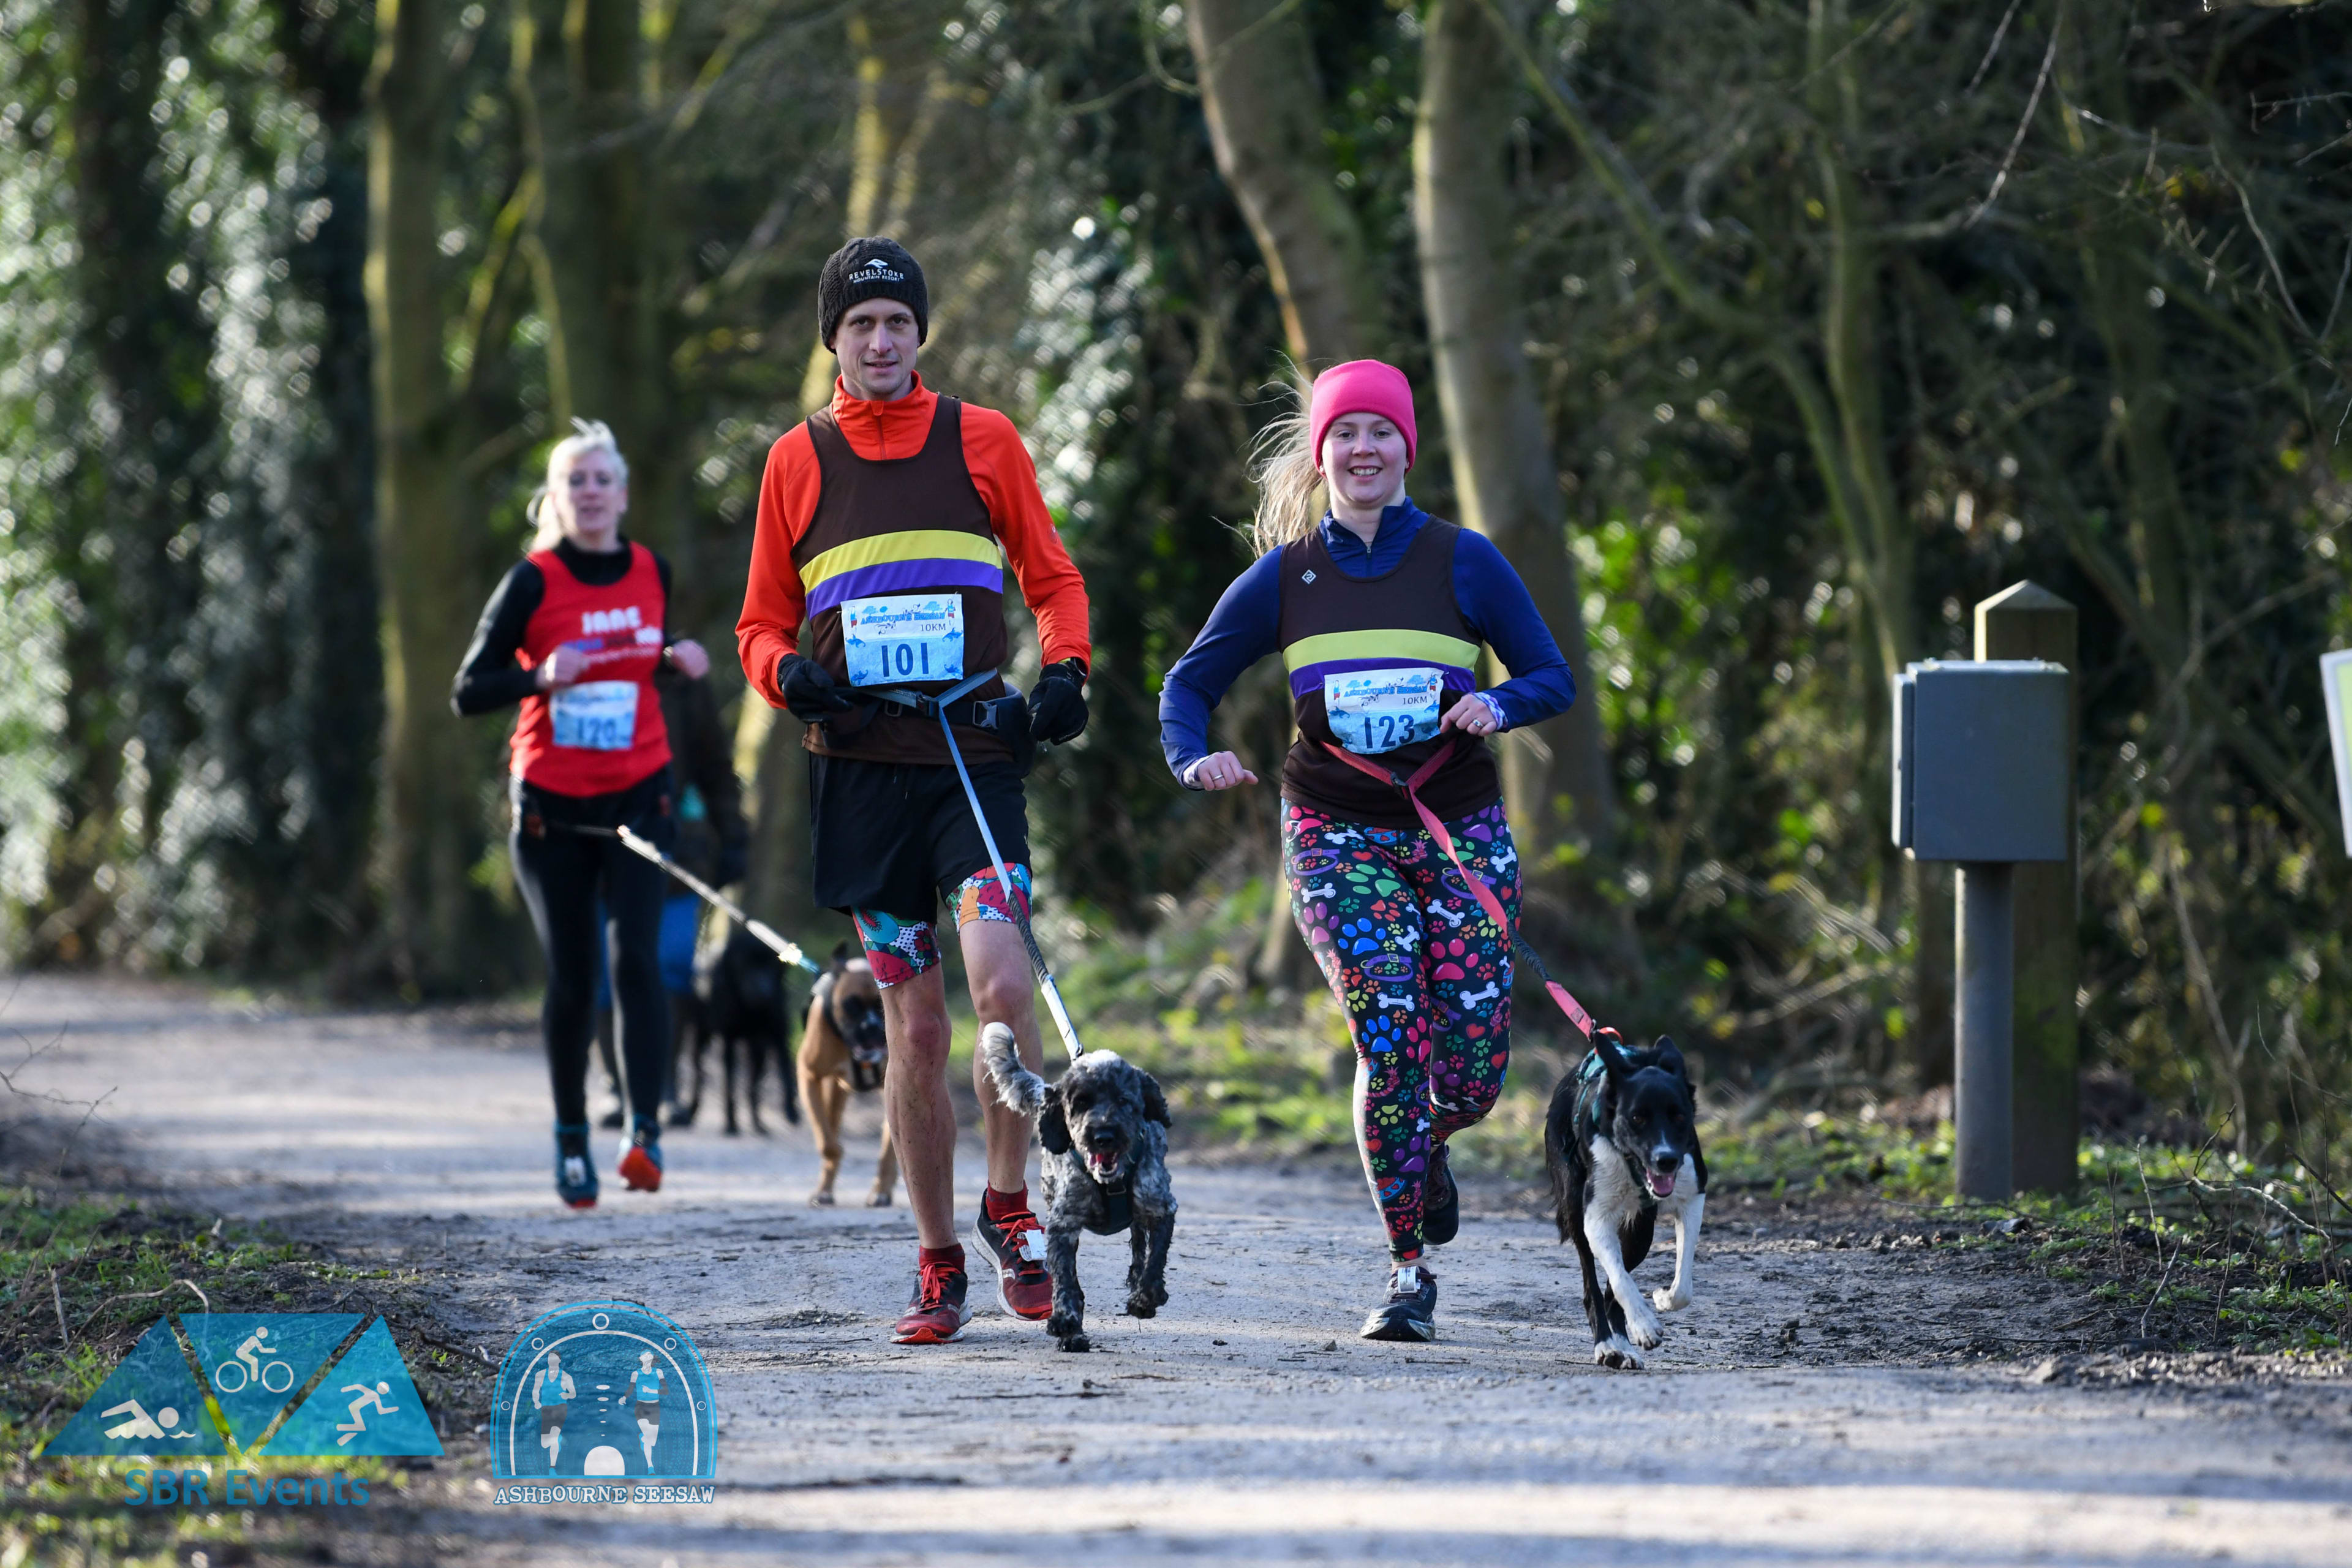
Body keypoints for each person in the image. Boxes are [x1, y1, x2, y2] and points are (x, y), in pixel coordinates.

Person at [1158, 360, 1575, 1343]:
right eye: (1345, 434)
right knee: (1389, 1033)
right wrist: (1193, 758)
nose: (1363, 450)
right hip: (1335, 831)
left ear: (1406, 447)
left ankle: (1423, 1145)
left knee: (1468, 1074)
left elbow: (1551, 674)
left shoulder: (1462, 560)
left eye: (1381, 432)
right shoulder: (1287, 575)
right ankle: (1406, 1270)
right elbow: (1189, 682)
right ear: (1322, 453)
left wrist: (1498, 701)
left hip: (1456, 825)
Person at [737, 238, 1092, 1344]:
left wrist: (1066, 668)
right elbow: (759, 622)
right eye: (861, 327)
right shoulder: (796, 460)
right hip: (858, 778)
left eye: (898, 323)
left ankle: (1012, 1213)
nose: (881, 342)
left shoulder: (982, 439)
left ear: (920, 334)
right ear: (834, 342)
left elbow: (1052, 575)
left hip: (972, 764)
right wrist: (785, 676)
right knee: (916, 1020)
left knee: (1000, 992)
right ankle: (938, 1259)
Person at [453, 418, 712, 1208]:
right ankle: (571, 1140)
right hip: (555, 813)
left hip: (640, 794)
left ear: (623, 494)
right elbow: (470, 691)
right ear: (557, 498)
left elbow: (646, 654)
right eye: (577, 480)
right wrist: (538, 676)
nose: (592, 493)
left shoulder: (650, 569)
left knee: (638, 961)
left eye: (604, 479)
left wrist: (677, 658)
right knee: (574, 976)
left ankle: (645, 1131)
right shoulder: (531, 581)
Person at [587, 663, 751, 1128]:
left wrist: (733, 837)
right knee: (606, 970)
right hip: (596, 849)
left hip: (677, 853)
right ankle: (616, 1086)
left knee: (672, 966)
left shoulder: (682, 675)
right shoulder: (573, 656)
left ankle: (664, 1085)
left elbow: (715, 765)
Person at [530, 1351, 575, 1468]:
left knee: (554, 1435)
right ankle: (557, 1439)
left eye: (555, 1358)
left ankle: (552, 1467)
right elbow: (535, 1390)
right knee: (545, 1444)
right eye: (550, 1358)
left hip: (560, 1408)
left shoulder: (566, 1376)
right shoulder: (540, 1375)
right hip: (546, 1409)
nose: (552, 1361)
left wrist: (567, 1395)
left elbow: (573, 1393)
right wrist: (536, 1402)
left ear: (559, 1361)